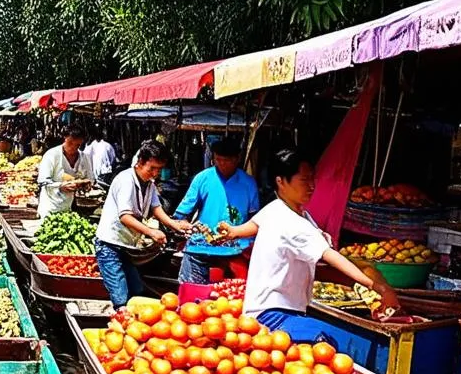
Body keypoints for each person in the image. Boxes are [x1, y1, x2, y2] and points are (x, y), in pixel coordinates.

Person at [215, 149, 401, 341]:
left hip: (266, 310)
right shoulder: (293, 222)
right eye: (304, 180)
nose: (311, 186)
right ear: (281, 182)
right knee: (331, 341)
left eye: (312, 179)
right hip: (273, 315)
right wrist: (377, 287)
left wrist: (233, 231)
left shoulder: (278, 209)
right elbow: (330, 256)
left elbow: (253, 225)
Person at [95, 139, 193, 308]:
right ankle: (121, 322)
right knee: (121, 297)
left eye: (159, 169)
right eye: (152, 168)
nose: (155, 173)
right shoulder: (125, 180)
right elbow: (125, 216)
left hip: (126, 246)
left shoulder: (149, 184)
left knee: (137, 290)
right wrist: (151, 232)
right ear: (140, 162)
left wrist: (174, 225)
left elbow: (156, 207)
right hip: (109, 245)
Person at [175, 137, 260, 284]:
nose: (222, 164)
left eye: (227, 160)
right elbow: (181, 215)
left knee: (232, 300)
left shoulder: (248, 183)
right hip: (199, 248)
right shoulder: (202, 178)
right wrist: (185, 227)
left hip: (236, 251)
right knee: (191, 298)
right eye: (218, 159)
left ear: (237, 159)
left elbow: (255, 219)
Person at [36, 124, 95, 218]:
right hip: (50, 207)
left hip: (69, 208)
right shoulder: (51, 155)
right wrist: (61, 186)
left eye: (77, 145)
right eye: (70, 143)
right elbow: (43, 180)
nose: (73, 147)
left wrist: (85, 185)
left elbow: (90, 179)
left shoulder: (84, 158)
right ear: (65, 138)